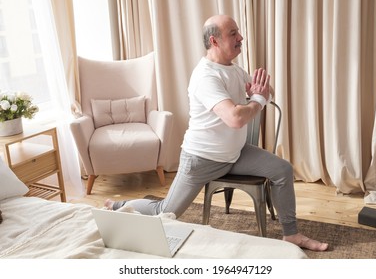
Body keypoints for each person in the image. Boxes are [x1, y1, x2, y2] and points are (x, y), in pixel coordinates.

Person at [105, 14, 328, 251]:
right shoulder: (205, 76)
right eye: (233, 34)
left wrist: (260, 94)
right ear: (214, 41)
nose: (240, 38)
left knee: (282, 169)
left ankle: (291, 234)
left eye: (238, 32)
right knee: (165, 211)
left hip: (235, 155)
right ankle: (119, 207)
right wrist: (257, 100)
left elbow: (266, 92)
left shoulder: (233, 69)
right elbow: (235, 119)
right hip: (201, 160)